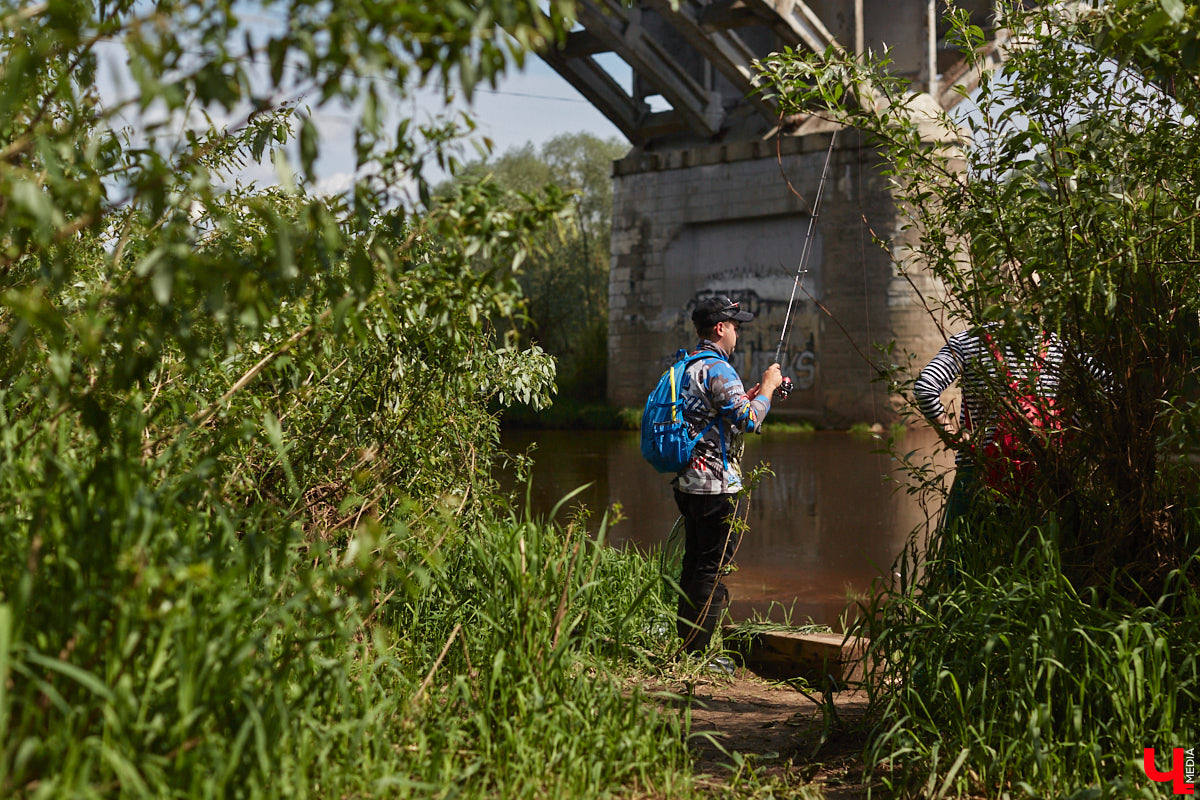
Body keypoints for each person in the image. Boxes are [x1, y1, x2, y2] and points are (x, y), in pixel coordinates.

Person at [672, 295, 783, 656]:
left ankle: (686, 644)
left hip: (688, 483)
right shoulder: (719, 369)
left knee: (694, 564)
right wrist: (767, 387)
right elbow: (750, 421)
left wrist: (747, 396)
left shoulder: (688, 366)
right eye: (735, 326)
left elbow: (714, 414)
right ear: (720, 328)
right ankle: (699, 654)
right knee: (712, 570)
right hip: (714, 487)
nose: (737, 333)